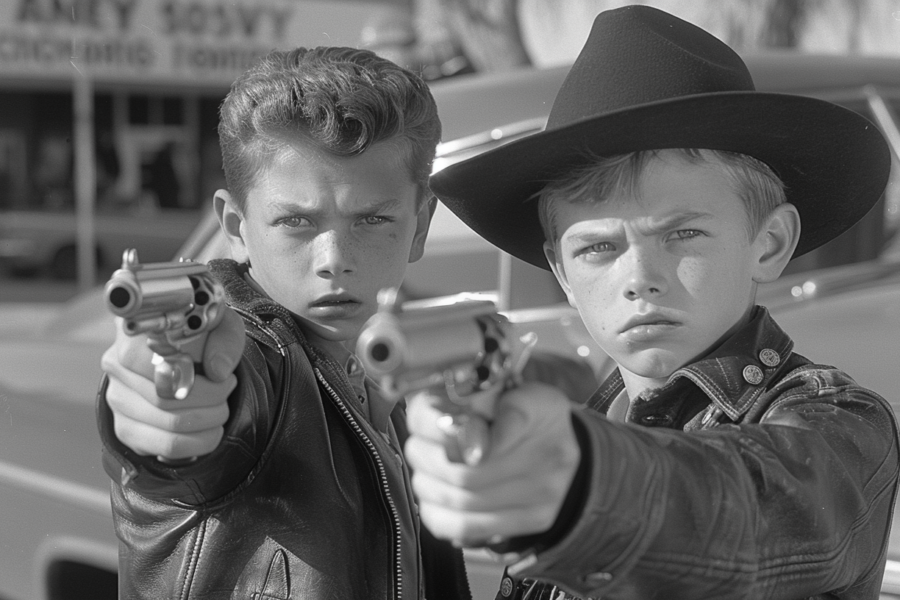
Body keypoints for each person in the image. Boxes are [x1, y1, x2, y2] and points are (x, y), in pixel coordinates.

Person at [405, 6, 900, 599]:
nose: (639, 277)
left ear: (768, 245)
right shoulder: (576, 421)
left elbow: (762, 502)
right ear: (560, 271)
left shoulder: (841, 425)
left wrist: (586, 486)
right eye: (597, 248)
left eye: (682, 234)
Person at [97, 46, 473, 599]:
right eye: (296, 222)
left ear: (420, 226)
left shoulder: (407, 364)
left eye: (372, 219)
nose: (332, 258)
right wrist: (167, 408)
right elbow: (215, 405)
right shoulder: (256, 364)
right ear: (236, 224)